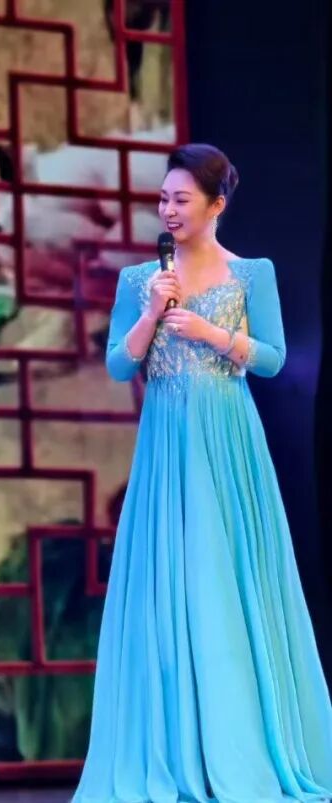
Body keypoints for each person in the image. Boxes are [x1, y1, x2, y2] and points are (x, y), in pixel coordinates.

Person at [74, 143, 332, 801]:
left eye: (181, 199)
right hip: (167, 443)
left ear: (216, 204)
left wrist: (216, 336)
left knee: (225, 579)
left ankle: (240, 745)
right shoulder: (141, 278)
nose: (168, 210)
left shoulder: (251, 274)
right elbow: (119, 365)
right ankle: (173, 751)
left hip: (228, 440)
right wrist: (153, 313)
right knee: (172, 583)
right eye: (163, 198)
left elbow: (274, 357)